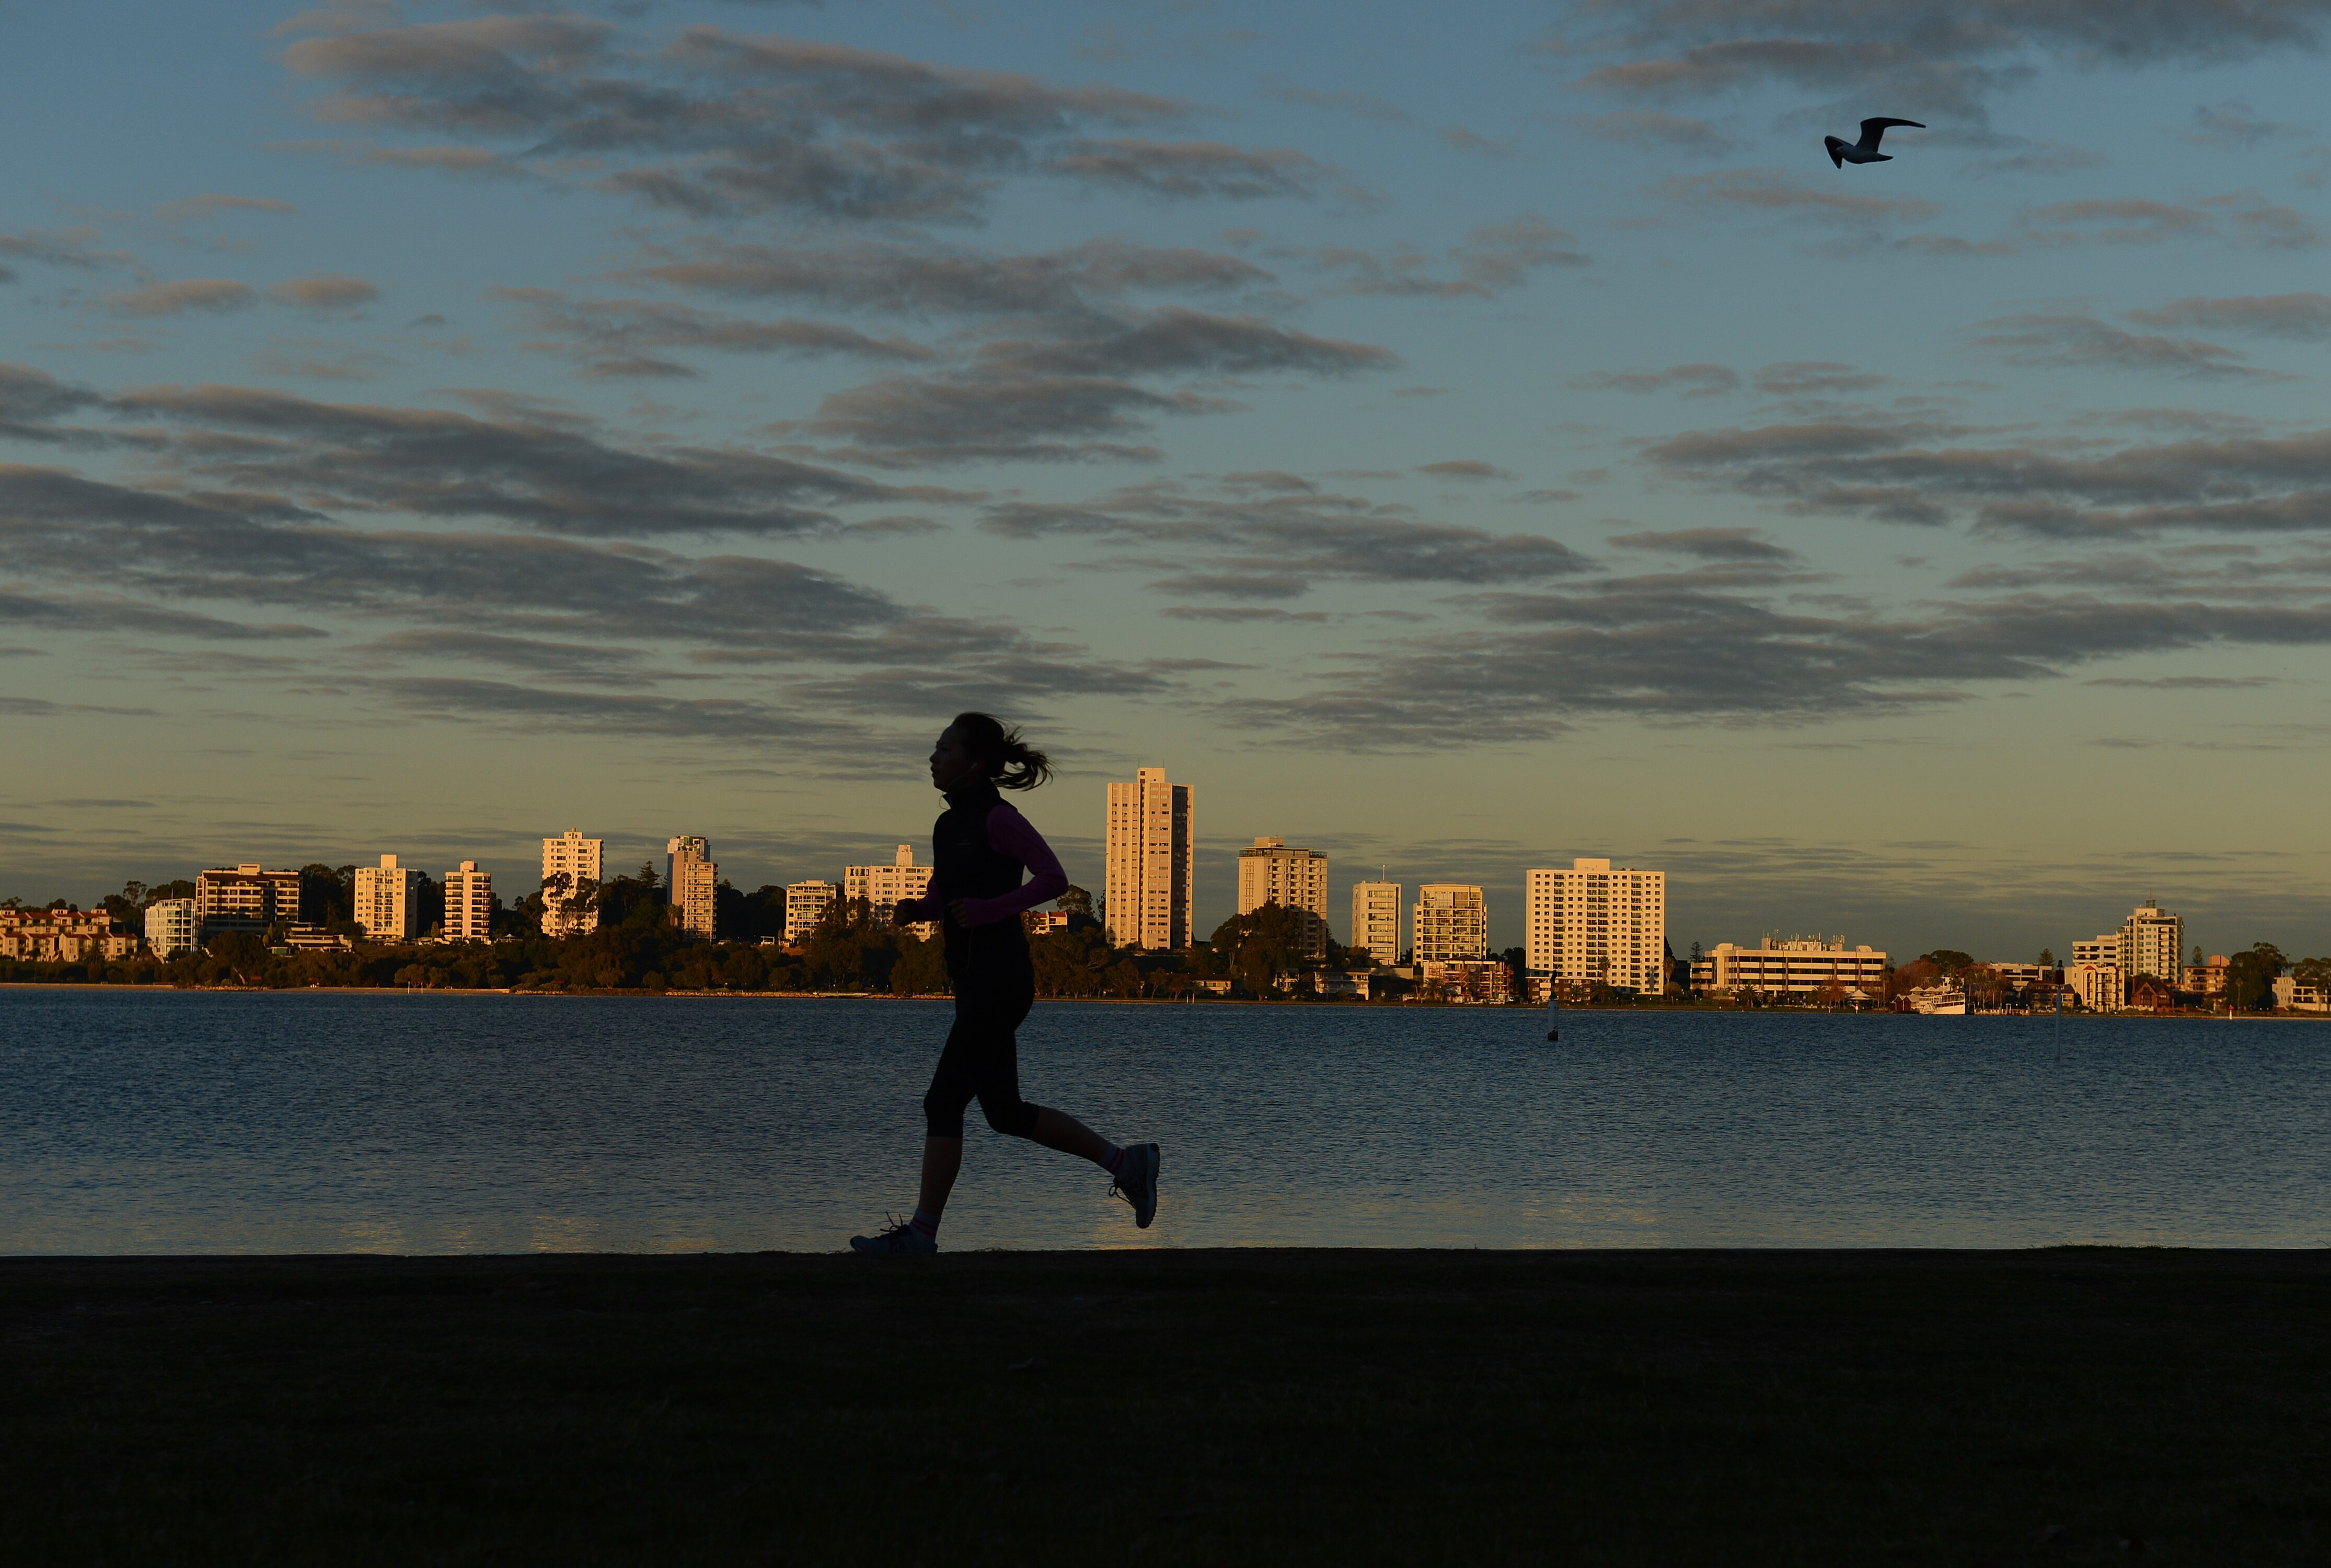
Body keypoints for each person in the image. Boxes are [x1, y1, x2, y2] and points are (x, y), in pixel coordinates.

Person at [850, 713, 1160, 1255]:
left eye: (943, 748)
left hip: (1002, 978)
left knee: (942, 1100)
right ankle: (1127, 1162)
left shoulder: (999, 818)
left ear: (972, 762)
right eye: (934, 748)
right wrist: (918, 909)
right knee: (1004, 1112)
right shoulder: (947, 826)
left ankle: (921, 1235)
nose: (932, 757)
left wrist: (993, 908)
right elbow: (947, 893)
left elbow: (1053, 878)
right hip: (970, 980)